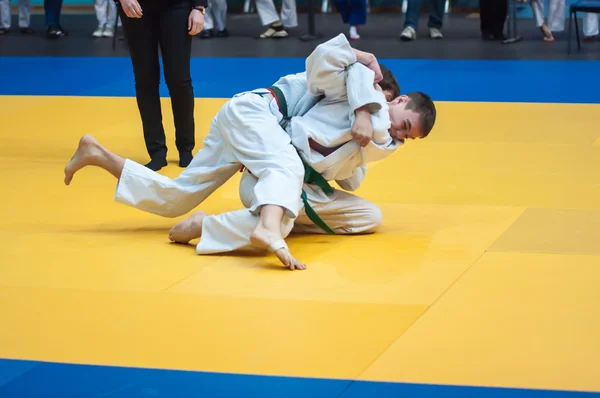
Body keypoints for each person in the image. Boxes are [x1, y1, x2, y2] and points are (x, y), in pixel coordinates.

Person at [63, 34, 395, 270]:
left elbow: (349, 177)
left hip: (248, 126)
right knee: (287, 171)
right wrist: (363, 60)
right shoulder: (339, 85)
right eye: (375, 94)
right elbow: (328, 62)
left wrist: (362, 141)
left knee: (177, 198)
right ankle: (264, 230)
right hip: (253, 113)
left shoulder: (353, 119)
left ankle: (98, 154)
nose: (374, 104)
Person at [168, 89, 436, 270]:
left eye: (407, 136)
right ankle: (206, 226)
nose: (399, 133)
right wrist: (363, 112)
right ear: (399, 101)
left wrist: (360, 150)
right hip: (271, 180)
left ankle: (279, 219)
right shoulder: (344, 99)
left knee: (370, 216)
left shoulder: (379, 140)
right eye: (405, 125)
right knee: (280, 224)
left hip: (308, 192)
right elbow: (344, 61)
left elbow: (350, 182)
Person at [117, 0, 206, 171]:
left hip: (177, 6)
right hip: (135, 4)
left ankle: (186, 149)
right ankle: (157, 151)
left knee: (179, 79)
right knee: (145, 79)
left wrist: (199, 7)